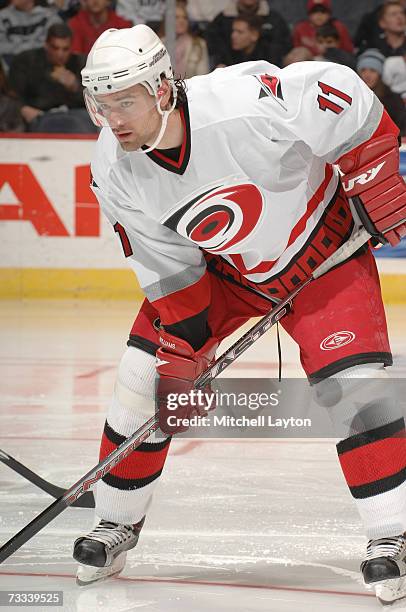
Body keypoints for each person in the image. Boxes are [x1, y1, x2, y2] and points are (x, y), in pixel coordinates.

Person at [74, 24, 406, 605]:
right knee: (144, 380)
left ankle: (393, 535)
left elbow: (338, 90)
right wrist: (184, 339)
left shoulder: (238, 101)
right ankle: (116, 522)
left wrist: (373, 171)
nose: (112, 118)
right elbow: (168, 264)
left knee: (358, 389)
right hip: (230, 274)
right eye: (101, 104)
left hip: (325, 251)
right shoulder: (115, 165)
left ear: (160, 89)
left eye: (124, 100)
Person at [8, 23, 94, 133]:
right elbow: (11, 94)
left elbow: (96, 103)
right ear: (46, 45)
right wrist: (22, 108)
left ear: (71, 47)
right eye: (55, 48)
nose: (60, 54)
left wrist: (75, 87)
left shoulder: (81, 64)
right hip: (38, 115)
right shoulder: (26, 61)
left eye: (65, 49)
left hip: (75, 116)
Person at [207, 0, 291, 68]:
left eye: (240, 32)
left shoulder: (275, 21)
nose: (233, 36)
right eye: (233, 31)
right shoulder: (221, 21)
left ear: (254, 35)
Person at [357, 48, 406, 135]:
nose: (367, 75)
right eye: (363, 70)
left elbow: (401, 126)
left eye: (373, 70)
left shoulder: (393, 99)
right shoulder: (354, 96)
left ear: (380, 74)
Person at [0, 0, 61, 67]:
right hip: (13, 69)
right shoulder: (2, 17)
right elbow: (2, 47)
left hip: (44, 69)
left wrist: (18, 48)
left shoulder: (49, 16)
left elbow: (56, 45)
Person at [169, 0, 209, 78]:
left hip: (191, 88)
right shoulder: (159, 44)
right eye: (176, 17)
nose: (181, 21)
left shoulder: (199, 44)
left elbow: (203, 76)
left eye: (185, 18)